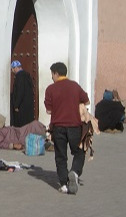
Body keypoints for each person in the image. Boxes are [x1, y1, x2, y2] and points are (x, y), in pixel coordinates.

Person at [44, 62, 90, 194]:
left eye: (52, 74)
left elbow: (48, 111)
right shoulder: (75, 86)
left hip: (58, 127)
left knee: (60, 156)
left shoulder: (50, 89)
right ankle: (75, 172)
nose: (52, 77)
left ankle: (63, 184)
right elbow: (86, 101)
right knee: (79, 152)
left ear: (56, 73)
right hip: (74, 126)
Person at [10, 60, 35, 127]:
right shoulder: (27, 76)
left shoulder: (20, 77)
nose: (12, 71)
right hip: (28, 105)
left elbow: (20, 92)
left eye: (12, 69)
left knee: (22, 126)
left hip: (22, 107)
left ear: (15, 68)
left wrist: (16, 105)